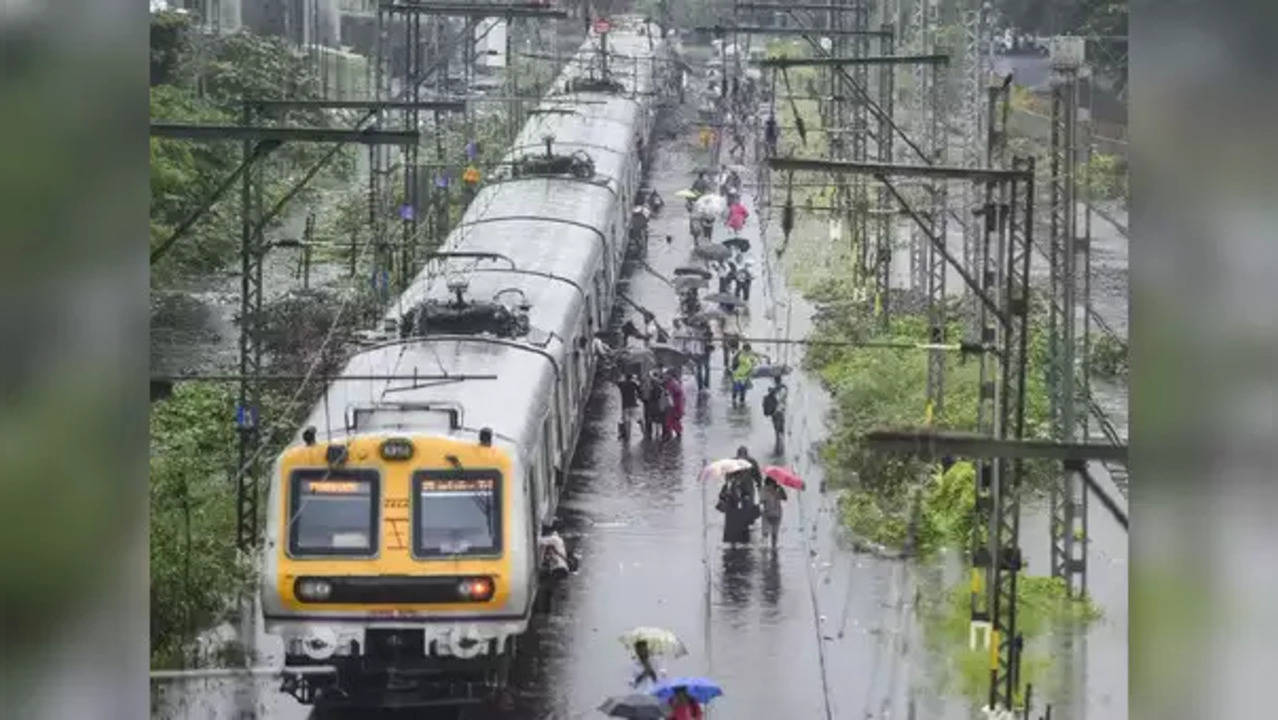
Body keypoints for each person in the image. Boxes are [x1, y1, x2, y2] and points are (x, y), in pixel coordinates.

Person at [760, 477, 788, 550]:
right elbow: (762, 501)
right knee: (766, 533)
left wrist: (781, 490)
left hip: (776, 513)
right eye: (769, 484)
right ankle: (766, 549)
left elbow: (785, 498)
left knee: (774, 534)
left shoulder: (778, 490)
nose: (770, 486)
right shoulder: (765, 490)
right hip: (768, 513)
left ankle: (773, 548)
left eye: (771, 484)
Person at [730, 343, 758, 407]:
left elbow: (753, 361)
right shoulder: (739, 355)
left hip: (744, 375)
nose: (748, 352)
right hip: (738, 374)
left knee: (742, 389)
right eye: (747, 350)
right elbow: (734, 364)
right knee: (737, 388)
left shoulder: (749, 355)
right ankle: (736, 400)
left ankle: (740, 400)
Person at [763, 375, 787, 447]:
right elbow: (784, 399)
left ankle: (778, 441)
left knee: (776, 427)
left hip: (774, 412)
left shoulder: (773, 390)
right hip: (781, 410)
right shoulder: (784, 388)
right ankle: (781, 441)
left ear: (775, 380)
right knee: (782, 427)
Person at [616, 373, 641, 441]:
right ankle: (645, 434)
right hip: (633, 404)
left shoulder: (622, 384)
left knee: (626, 421)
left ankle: (627, 437)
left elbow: (617, 383)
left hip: (625, 405)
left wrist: (621, 378)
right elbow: (639, 391)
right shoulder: (633, 384)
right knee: (637, 419)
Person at [642, 372, 666, 440]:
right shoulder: (659, 387)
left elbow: (644, 396)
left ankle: (649, 434)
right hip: (656, 405)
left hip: (650, 405)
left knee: (649, 419)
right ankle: (658, 433)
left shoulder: (647, 386)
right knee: (658, 419)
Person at [662, 369, 685, 440]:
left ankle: (672, 435)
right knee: (673, 421)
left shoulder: (672, 384)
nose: (664, 376)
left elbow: (671, 395)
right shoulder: (673, 383)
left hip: (674, 406)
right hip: (675, 405)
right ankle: (674, 435)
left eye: (666, 375)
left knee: (673, 420)